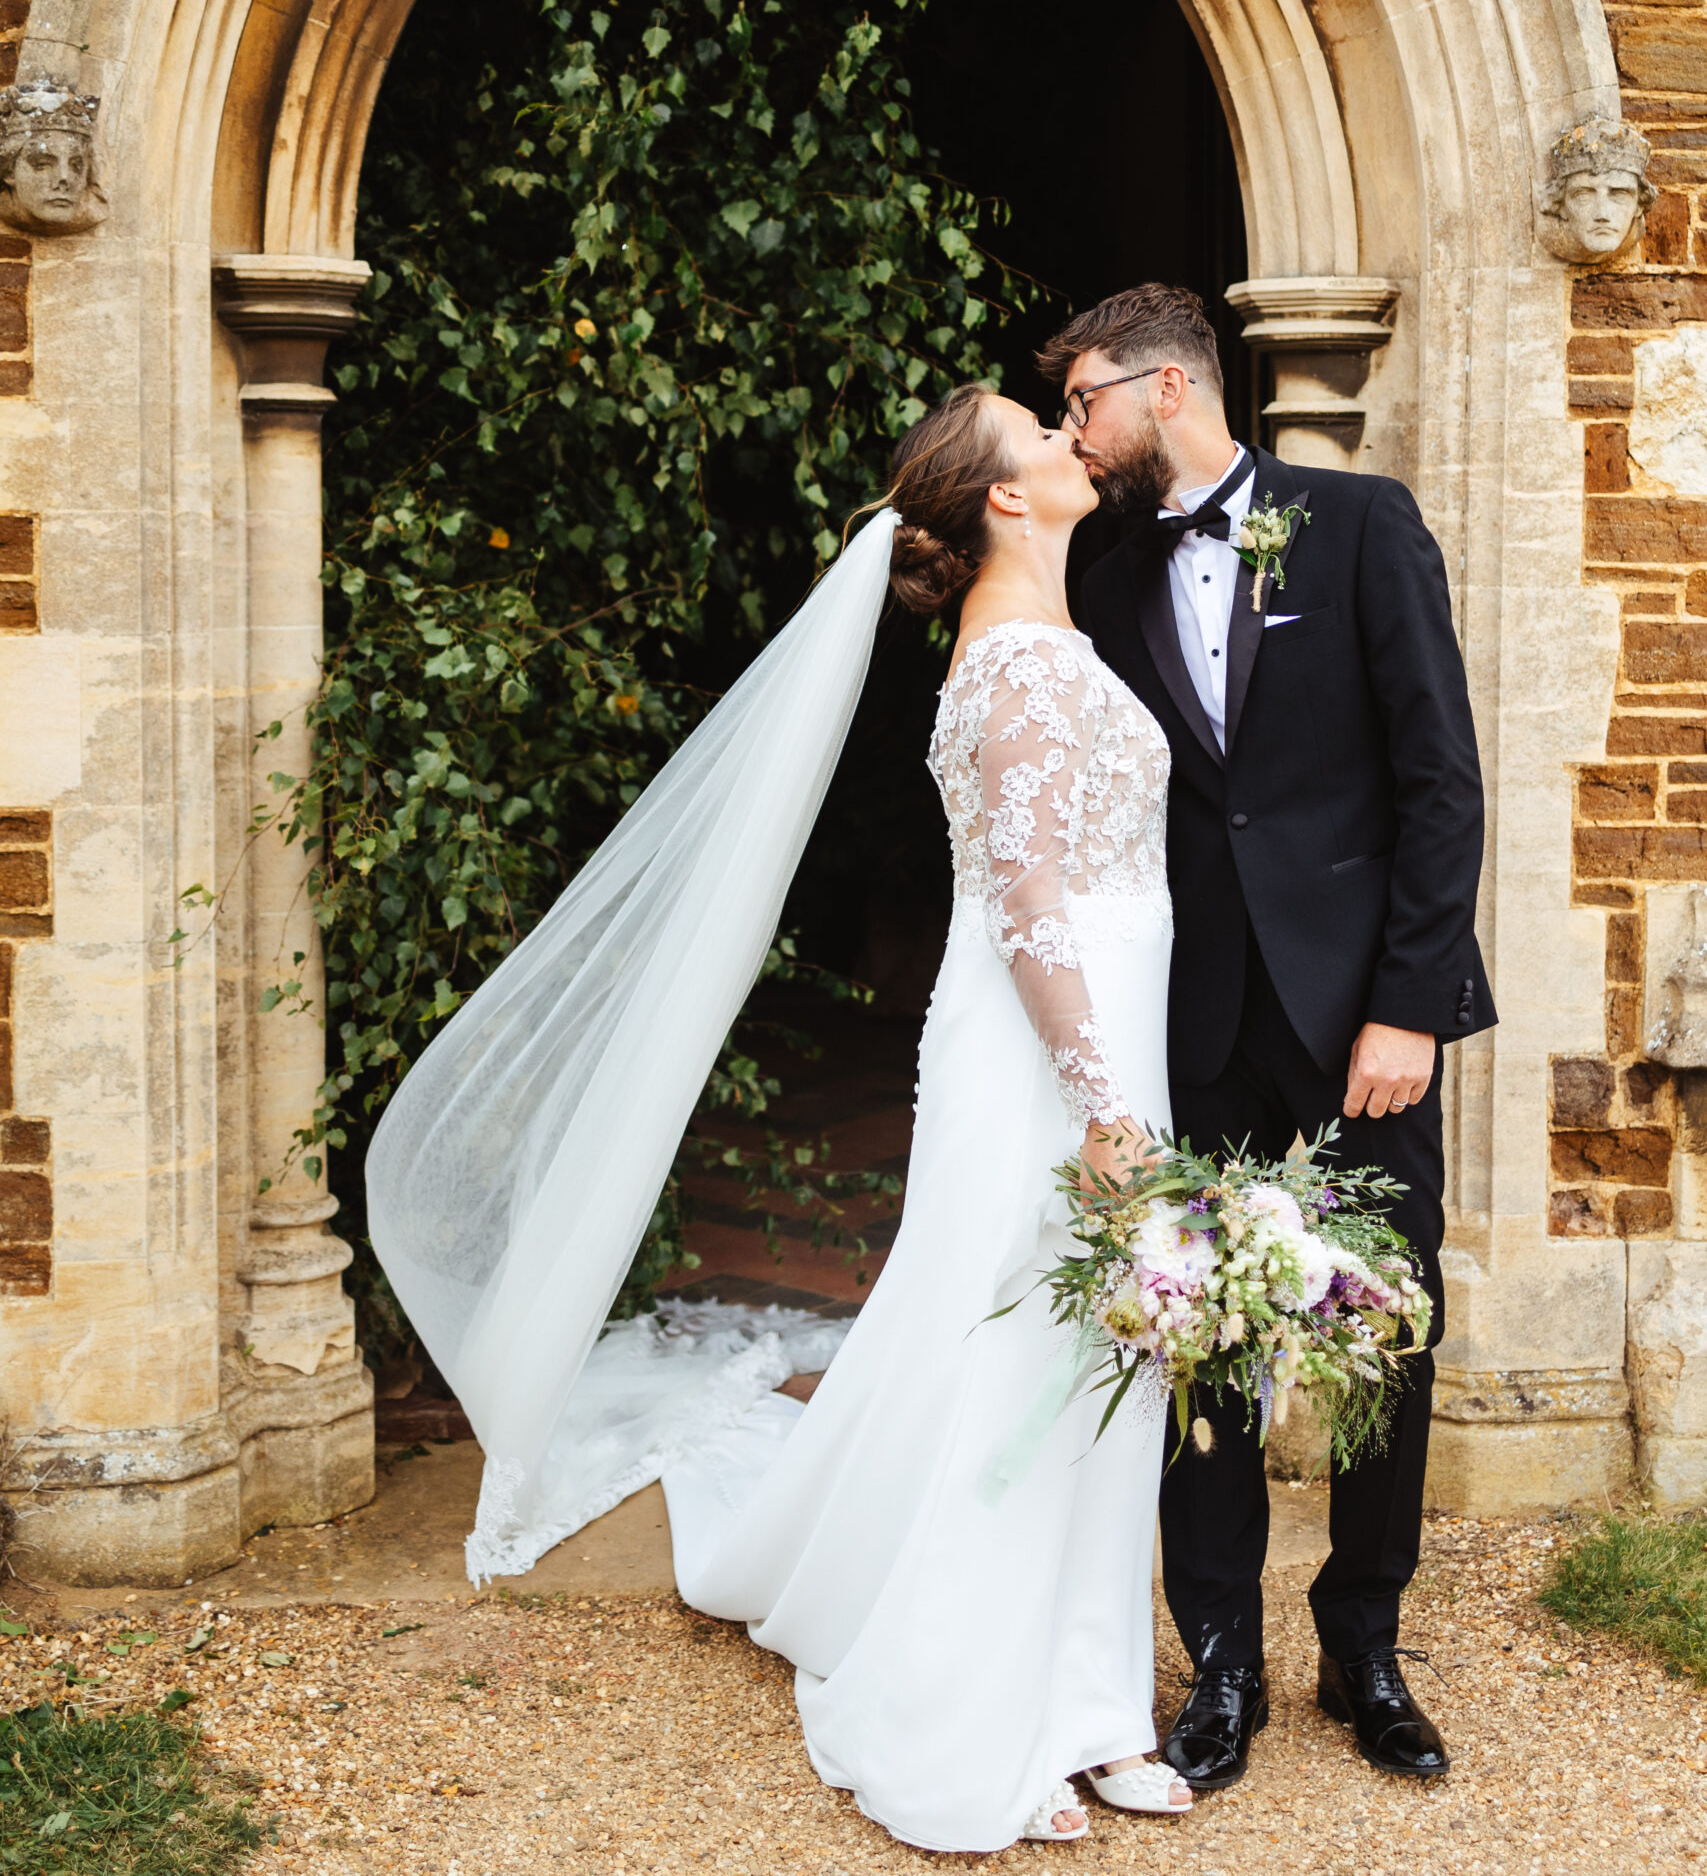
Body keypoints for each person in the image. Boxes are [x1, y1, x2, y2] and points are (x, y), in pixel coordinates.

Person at [370, 380, 1192, 1851]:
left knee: (1098, 1360)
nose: (1079, 444)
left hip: (1105, 1043)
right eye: (1048, 436)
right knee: (1014, 1364)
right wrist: (1103, 1107)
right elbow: (1026, 906)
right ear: (1008, 497)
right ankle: (971, 1718)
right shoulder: (1009, 667)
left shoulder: (1055, 634)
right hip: (1049, 1061)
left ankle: (1092, 1705)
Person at [1044, 282, 1496, 1793]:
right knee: (1198, 1336)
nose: (1075, 425)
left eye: (1086, 395)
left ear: (1167, 386)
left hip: (1369, 1015)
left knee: (1388, 1327)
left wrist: (1409, 1007)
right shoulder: (1104, 579)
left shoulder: (1361, 525)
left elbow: (1442, 782)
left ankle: (1364, 1647)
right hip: (1203, 1015)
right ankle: (1221, 1658)